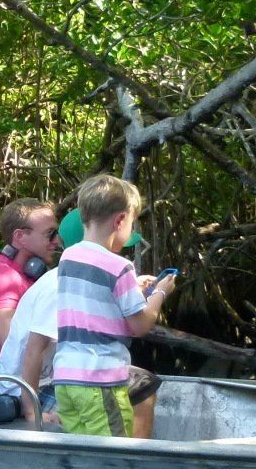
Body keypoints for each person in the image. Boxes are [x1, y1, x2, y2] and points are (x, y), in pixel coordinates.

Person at [5, 207, 162, 437]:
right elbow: (33, 350)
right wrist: (31, 410)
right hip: (25, 390)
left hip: (61, 375)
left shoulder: (77, 275)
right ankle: (126, 465)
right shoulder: (57, 285)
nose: (122, 255)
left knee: (144, 384)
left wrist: (131, 287)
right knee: (130, 391)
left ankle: (137, 458)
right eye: (117, 247)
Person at [52, 175, 174, 439]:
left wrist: (134, 289)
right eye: (131, 223)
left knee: (83, 454)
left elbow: (93, 303)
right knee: (111, 456)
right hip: (99, 380)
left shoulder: (68, 258)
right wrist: (161, 292)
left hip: (66, 378)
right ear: (120, 220)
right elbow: (140, 325)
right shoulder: (120, 267)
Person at [0, 198, 59, 362]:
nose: (56, 241)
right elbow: (13, 349)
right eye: (50, 234)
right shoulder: (2, 278)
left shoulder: (27, 277)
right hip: (18, 383)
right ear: (20, 237)